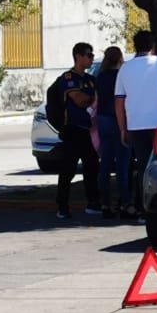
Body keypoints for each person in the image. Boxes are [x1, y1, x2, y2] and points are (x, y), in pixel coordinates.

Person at [114, 30, 157, 219]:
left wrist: (122, 129)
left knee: (142, 165)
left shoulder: (125, 69)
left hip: (136, 125)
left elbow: (119, 101)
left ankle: (141, 205)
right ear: (153, 46)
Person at [54, 42, 102, 220]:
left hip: (89, 130)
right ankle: (62, 206)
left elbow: (99, 99)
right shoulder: (68, 78)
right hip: (73, 130)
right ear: (78, 56)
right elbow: (79, 100)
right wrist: (93, 99)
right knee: (68, 169)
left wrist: (93, 99)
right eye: (88, 55)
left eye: (92, 55)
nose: (91, 58)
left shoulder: (90, 80)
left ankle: (93, 203)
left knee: (92, 166)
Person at [94, 46, 130, 218]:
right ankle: (125, 203)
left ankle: (105, 204)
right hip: (119, 120)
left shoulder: (100, 77)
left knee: (105, 164)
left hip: (103, 119)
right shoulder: (122, 76)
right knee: (123, 164)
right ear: (120, 58)